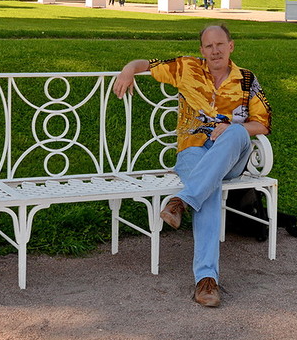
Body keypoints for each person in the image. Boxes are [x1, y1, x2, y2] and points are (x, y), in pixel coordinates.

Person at [112, 24, 272, 308]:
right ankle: (206, 281)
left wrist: (233, 128)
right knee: (208, 192)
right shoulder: (186, 68)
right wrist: (127, 70)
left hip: (232, 155)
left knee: (235, 131)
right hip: (193, 151)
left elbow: (263, 123)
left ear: (231, 46)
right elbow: (145, 64)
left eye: (220, 44)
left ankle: (181, 201)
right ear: (202, 50)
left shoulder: (247, 80)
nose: (215, 51)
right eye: (209, 46)